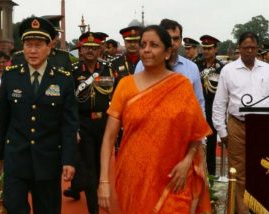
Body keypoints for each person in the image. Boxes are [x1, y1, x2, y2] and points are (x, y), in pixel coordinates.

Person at [97, 25, 212, 214]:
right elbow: (109, 138)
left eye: (154, 45)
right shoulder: (126, 85)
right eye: (143, 45)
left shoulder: (181, 86)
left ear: (167, 53)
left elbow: (196, 133)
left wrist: (186, 163)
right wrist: (104, 181)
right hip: (133, 178)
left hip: (174, 178)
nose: (146, 50)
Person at [0, 16, 78, 214]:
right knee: (13, 207)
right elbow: (2, 118)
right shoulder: (11, 76)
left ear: (49, 47)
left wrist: (69, 159)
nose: (32, 50)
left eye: (38, 45)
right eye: (28, 45)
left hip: (48, 159)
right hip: (16, 157)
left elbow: (69, 124)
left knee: (47, 209)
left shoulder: (63, 80)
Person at [212, 31, 269, 214]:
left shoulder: (267, 70)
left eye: (253, 48)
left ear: (258, 49)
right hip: (237, 125)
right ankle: (241, 210)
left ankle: (260, 209)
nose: (250, 51)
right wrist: (223, 132)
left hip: (262, 127)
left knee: (261, 170)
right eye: (246, 48)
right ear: (239, 48)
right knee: (238, 172)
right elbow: (219, 104)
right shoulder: (228, 71)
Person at [67, 32, 115, 214]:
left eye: (94, 48)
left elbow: (115, 97)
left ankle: (95, 192)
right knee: (89, 168)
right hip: (83, 123)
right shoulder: (73, 72)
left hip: (104, 124)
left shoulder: (108, 70)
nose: (90, 51)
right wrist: (75, 128)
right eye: (86, 47)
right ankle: (93, 208)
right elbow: (69, 103)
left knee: (100, 164)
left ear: (100, 50)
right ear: (80, 49)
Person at [135, 19, 205, 112]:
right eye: (168, 38)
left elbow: (199, 104)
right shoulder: (142, 65)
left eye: (176, 39)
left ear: (180, 40)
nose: (172, 43)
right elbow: (135, 101)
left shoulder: (192, 68)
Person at [197, 35, 224, 176]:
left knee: (211, 144)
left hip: (213, 109)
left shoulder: (221, 68)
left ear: (215, 49)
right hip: (198, 108)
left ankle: (211, 175)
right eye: (204, 48)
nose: (206, 51)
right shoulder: (197, 64)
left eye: (209, 48)